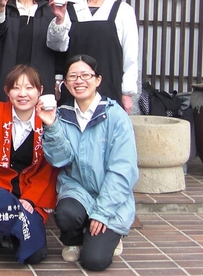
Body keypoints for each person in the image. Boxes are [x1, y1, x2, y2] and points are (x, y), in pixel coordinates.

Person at [39, 55, 138, 271]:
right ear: (65, 83)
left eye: (86, 75)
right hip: (78, 192)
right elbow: (60, 160)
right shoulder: (62, 115)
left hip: (111, 199)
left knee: (94, 261)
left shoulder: (116, 117)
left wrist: (102, 212)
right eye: (73, 76)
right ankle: (73, 239)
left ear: (98, 80)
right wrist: (52, 125)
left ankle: (109, 235)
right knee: (66, 214)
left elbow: (123, 171)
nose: (79, 81)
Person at [0, 65, 58, 264]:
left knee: (35, 254)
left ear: (40, 91)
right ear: (7, 92)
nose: (22, 94)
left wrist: (31, 200)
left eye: (29, 88)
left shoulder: (48, 119)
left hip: (30, 191)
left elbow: (48, 170)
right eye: (16, 88)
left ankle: (7, 231)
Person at [46, 0, 139, 113]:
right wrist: (60, 18)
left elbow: (130, 56)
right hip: (75, 88)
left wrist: (127, 92)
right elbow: (56, 46)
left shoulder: (122, 11)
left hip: (110, 87)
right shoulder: (71, 9)